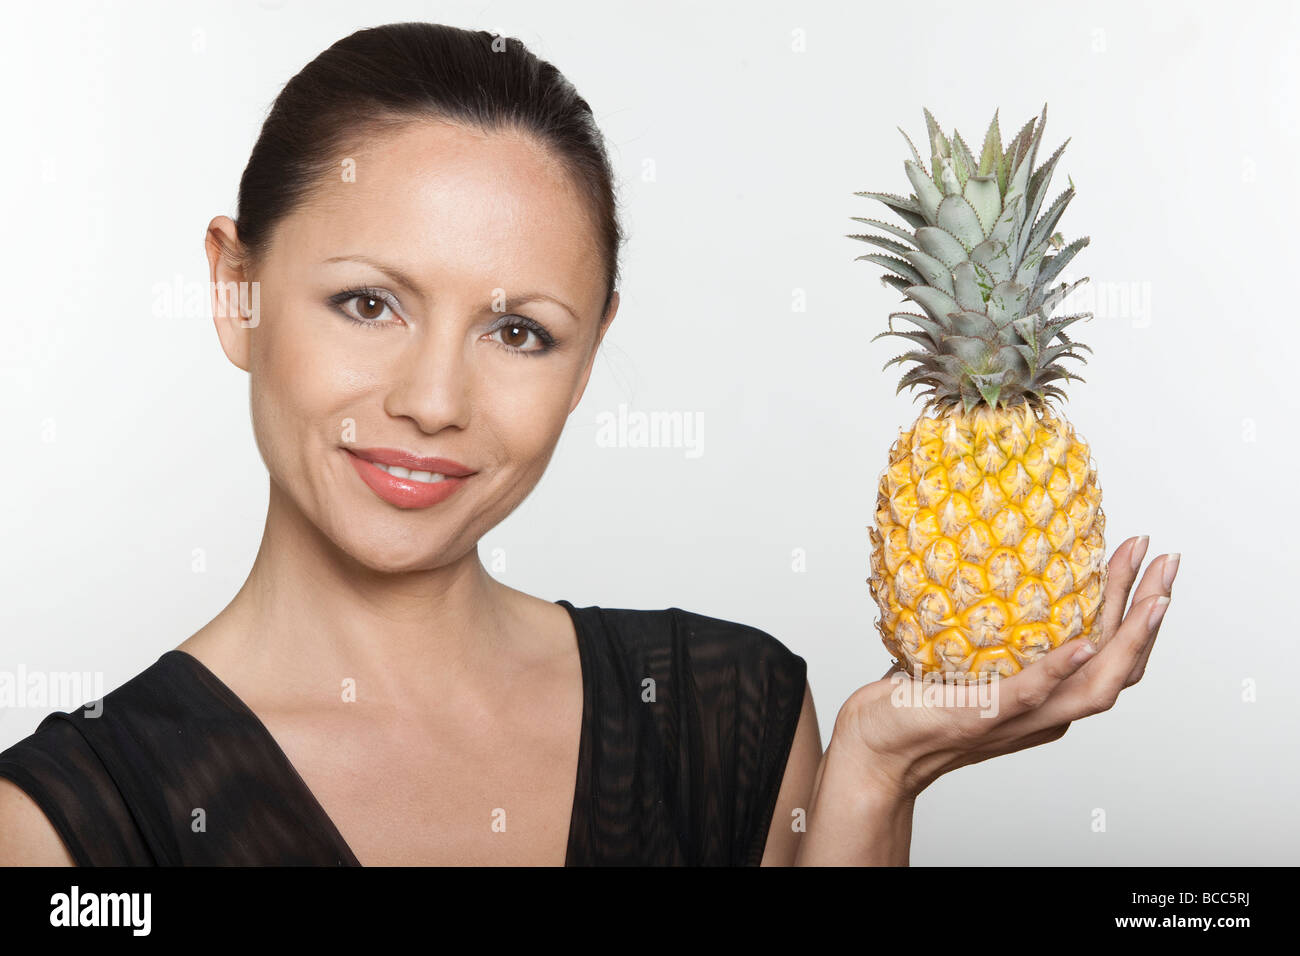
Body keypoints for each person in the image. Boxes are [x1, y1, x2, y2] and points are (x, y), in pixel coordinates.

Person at [0, 21, 1177, 866]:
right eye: (368, 302)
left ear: (590, 352)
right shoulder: (59, 822)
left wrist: (874, 776)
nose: (433, 398)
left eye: (519, 329)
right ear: (236, 290)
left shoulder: (736, 716)